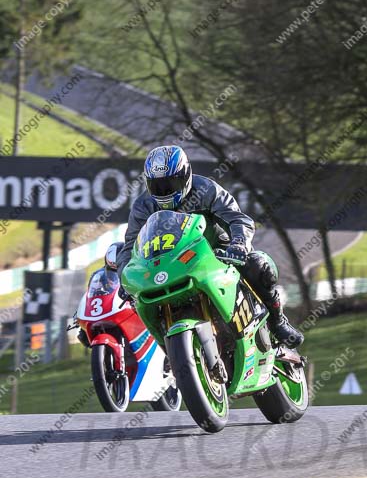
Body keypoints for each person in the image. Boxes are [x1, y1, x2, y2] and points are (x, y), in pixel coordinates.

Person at [116, 145, 304, 348]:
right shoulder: (143, 206)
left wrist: (239, 243)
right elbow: (130, 246)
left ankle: (277, 321)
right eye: (157, 186)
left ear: (186, 174)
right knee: (143, 301)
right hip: (168, 264)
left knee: (259, 265)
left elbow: (238, 219)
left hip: (217, 253)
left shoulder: (206, 189)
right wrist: (124, 278)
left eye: (171, 183)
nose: (165, 191)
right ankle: (171, 350)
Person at [77, 241, 124, 347]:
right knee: (82, 335)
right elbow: (92, 292)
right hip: (107, 307)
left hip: (127, 304)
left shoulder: (132, 269)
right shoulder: (99, 275)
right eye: (113, 269)